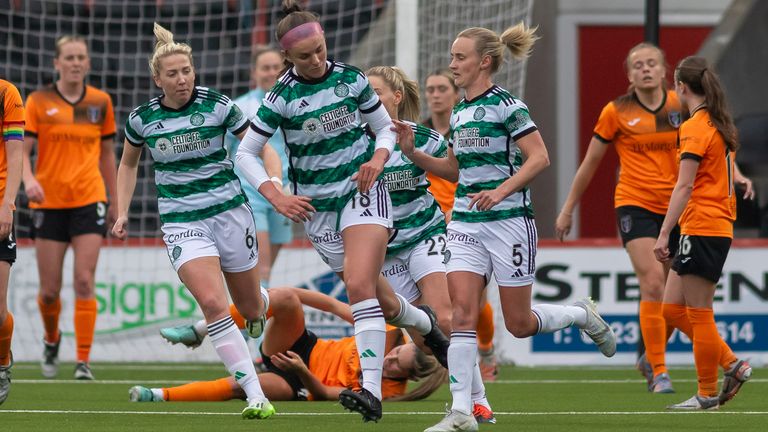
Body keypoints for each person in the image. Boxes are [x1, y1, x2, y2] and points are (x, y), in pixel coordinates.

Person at [392, 23, 616, 432]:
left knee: (519, 323)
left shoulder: (508, 106)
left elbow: (539, 158)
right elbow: (456, 170)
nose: (452, 64)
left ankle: (580, 314)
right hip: (464, 223)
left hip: (510, 222)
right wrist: (415, 154)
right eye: (453, 56)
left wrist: (501, 190)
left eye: (460, 57)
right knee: (461, 315)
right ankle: (462, 411)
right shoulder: (459, 110)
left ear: (485, 62)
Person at [235, 0, 448, 423]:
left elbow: (386, 127)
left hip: (362, 192)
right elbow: (245, 153)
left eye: (320, 49)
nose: (316, 60)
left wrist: (378, 159)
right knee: (385, 304)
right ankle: (423, 324)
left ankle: (370, 392)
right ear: (287, 59)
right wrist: (276, 196)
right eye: (304, 56)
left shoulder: (350, 79)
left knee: (357, 285)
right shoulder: (281, 97)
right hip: (317, 210)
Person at [554, 43, 755, 394]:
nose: (645, 69)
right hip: (636, 204)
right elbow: (590, 162)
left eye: (652, 63)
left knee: (673, 303)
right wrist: (568, 207)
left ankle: (656, 358)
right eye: (638, 65)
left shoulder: (684, 106)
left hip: (681, 208)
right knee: (652, 282)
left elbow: (713, 146)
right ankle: (660, 371)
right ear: (629, 74)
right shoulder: (616, 111)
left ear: (666, 72)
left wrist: (733, 173)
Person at [112, 23, 280, 420]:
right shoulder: (141, 120)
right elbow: (128, 163)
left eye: (186, 71)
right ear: (158, 79)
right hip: (183, 222)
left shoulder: (218, 105)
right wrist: (122, 211)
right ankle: (256, 395)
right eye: (172, 74)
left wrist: (274, 181)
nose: (182, 79)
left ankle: (261, 308)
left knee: (250, 306)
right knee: (211, 303)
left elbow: (260, 147)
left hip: (231, 214)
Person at [366, 65, 493, 423]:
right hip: (385, 250)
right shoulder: (353, 145)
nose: (369, 99)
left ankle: (468, 405)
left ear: (396, 97)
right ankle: (478, 398)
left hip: (426, 234)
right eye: (365, 93)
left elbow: (455, 172)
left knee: (447, 317)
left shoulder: (422, 137)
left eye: (376, 92)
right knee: (425, 339)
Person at [136, 287, 446, 403]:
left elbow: (325, 393)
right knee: (285, 298)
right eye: (395, 354)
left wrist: (301, 370)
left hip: (299, 381)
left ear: (409, 378)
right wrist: (281, 297)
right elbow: (335, 307)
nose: (389, 360)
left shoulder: (389, 393)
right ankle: (200, 329)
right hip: (300, 346)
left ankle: (158, 395)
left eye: (395, 366)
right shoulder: (387, 331)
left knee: (239, 386)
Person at [654, 56, 752, 411]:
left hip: (704, 225)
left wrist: (664, 233)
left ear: (681, 86)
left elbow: (684, 186)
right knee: (671, 310)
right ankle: (733, 364)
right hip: (710, 225)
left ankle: (707, 392)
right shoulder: (716, 121)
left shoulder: (695, 126)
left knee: (699, 313)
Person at [22, 35, 118, 380]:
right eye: (70, 57)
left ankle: (83, 361)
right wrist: (27, 179)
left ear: (88, 63)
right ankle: (51, 339)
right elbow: (22, 150)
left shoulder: (99, 102)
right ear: (56, 63)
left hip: (89, 199)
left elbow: (108, 155)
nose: (76, 63)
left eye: (81, 57)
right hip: (48, 201)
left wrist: (115, 201)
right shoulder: (38, 101)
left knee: (83, 280)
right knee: (49, 291)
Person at [422, 68, 501, 381]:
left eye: (442, 88)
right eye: (430, 89)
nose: (436, 94)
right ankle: (453, 359)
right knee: (446, 299)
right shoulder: (420, 135)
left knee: (476, 300)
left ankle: (487, 347)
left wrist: (460, 209)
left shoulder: (468, 126)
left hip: (466, 216)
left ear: (454, 94)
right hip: (430, 225)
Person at [225, 46, 292, 288]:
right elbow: (224, 150)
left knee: (265, 271)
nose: (271, 72)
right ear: (254, 73)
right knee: (260, 267)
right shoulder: (239, 108)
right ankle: (253, 324)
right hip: (251, 192)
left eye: (276, 67)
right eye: (265, 68)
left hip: (285, 193)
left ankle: (250, 317)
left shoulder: (295, 104)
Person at [0, 79, 24, 405]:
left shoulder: (7, 92)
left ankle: (2, 360)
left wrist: (8, 204)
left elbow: (16, 155)